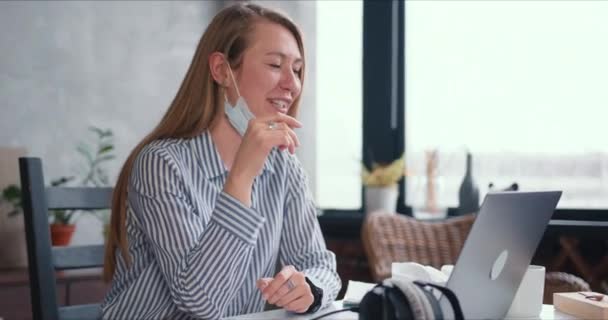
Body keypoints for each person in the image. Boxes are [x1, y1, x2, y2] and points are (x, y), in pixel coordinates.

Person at [101, 3, 341, 319]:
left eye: (297, 70)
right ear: (221, 70)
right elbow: (200, 302)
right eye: (274, 65)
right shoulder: (161, 164)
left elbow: (320, 264)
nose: (292, 84)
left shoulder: (284, 168)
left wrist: (309, 289)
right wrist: (242, 177)